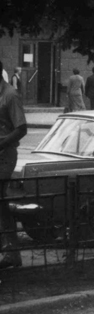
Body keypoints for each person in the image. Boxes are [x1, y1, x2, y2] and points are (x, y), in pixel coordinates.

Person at [0, 57, 28, 269]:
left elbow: (22, 128)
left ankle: (11, 253)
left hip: (5, 155)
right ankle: (9, 252)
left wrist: (2, 143)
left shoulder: (10, 95)